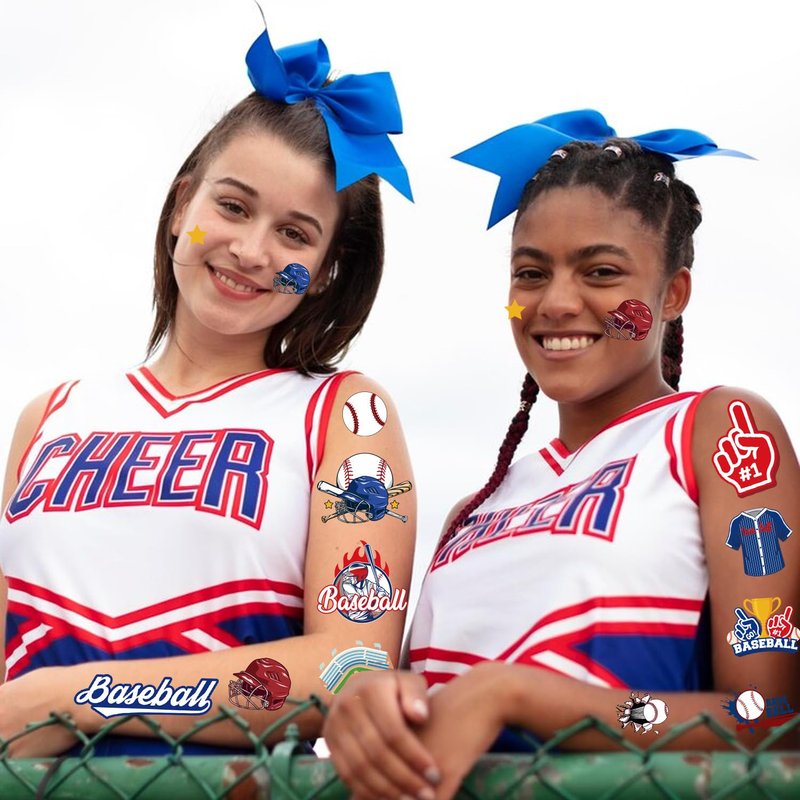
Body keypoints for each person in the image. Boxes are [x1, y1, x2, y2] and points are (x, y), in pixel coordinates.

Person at [322, 110, 800, 800]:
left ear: (673, 293)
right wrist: (375, 707)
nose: (556, 302)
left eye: (601, 272)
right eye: (531, 273)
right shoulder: (474, 510)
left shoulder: (722, 432)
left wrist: (516, 696)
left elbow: (768, 716)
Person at [0, 23, 416, 757]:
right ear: (181, 207)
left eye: (295, 235)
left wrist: (72, 699)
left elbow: (354, 667)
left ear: (325, 270)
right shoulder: (51, 415)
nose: (251, 251)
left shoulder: (346, 415)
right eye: (233, 207)